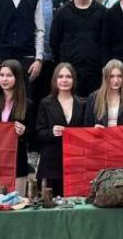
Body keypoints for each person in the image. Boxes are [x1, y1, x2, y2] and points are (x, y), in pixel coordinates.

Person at [50, 0, 107, 98]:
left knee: (94, 105)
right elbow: (55, 41)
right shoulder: (62, 13)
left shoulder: (103, 12)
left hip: (95, 70)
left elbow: (106, 42)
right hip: (70, 70)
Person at [0, 60, 34, 195]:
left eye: (9, 75)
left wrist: (24, 132)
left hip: (16, 162)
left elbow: (34, 136)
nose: (4, 79)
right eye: (2, 75)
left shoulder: (28, 104)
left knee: (16, 203)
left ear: (17, 78)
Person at [35, 62, 87, 197]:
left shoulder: (83, 103)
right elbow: (38, 133)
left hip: (75, 163)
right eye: (60, 76)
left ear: (74, 80)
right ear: (55, 80)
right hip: (51, 165)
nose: (64, 80)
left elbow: (87, 132)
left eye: (68, 77)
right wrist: (51, 132)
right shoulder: (45, 103)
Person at [31, 0, 72, 105]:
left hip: (56, 58)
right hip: (34, 58)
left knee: (55, 97)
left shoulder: (64, 1)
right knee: (34, 97)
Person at [84, 60, 123, 127]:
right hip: (100, 134)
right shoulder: (94, 98)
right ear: (105, 77)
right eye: (111, 76)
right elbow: (86, 126)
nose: (116, 80)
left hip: (122, 134)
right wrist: (93, 129)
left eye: (120, 76)